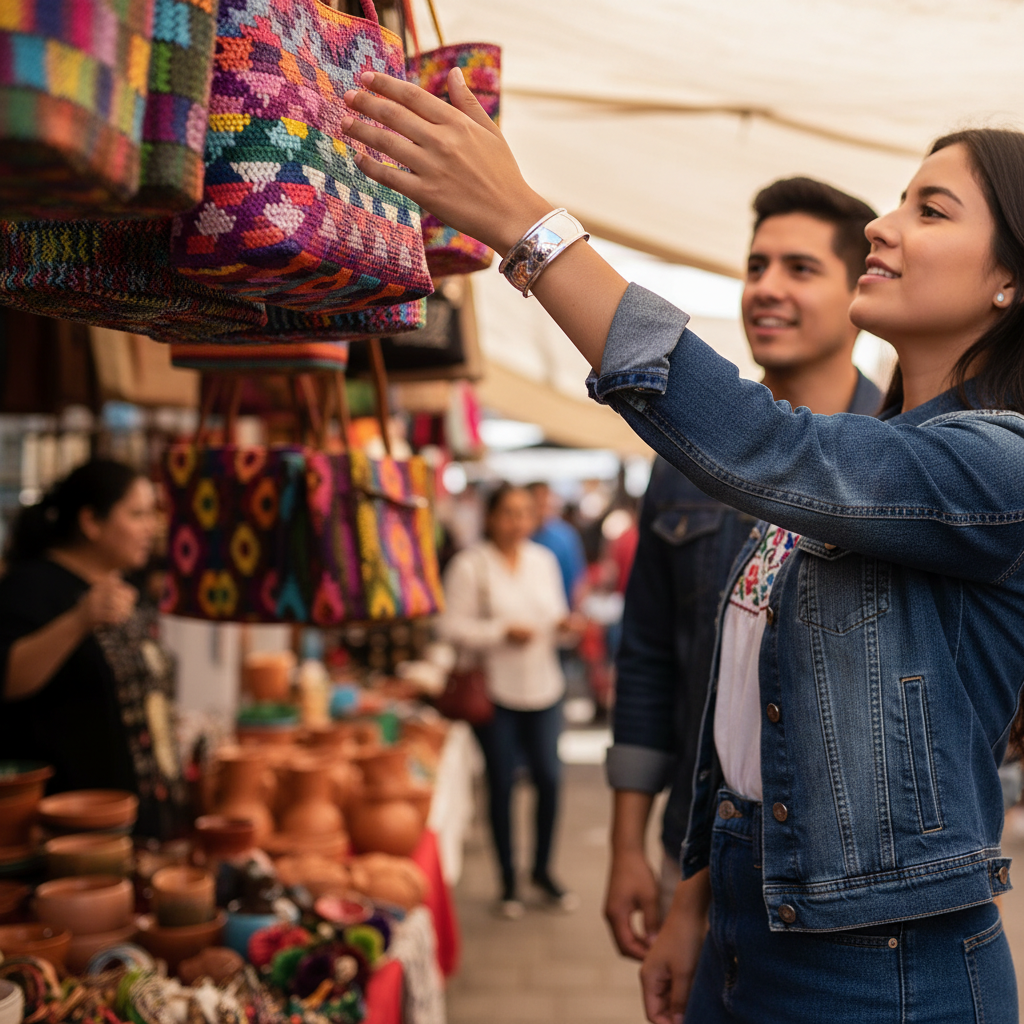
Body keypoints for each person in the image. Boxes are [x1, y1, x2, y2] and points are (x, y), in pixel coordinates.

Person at [341, 72, 1024, 1021]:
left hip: (884, 968)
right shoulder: (867, 466)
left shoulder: (999, 467)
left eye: (931, 208)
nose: (882, 224)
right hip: (751, 924)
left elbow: (765, 444)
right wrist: (697, 897)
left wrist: (529, 228)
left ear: (1010, 281)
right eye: (898, 199)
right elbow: (745, 721)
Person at [604, 177, 883, 961]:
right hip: (693, 856)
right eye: (756, 265)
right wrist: (628, 845)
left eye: (800, 268)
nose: (766, 288)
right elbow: (650, 658)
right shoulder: (683, 460)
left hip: (844, 884)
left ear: (860, 288)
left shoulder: (899, 463)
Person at [0, 459, 189, 840]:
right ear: (91, 522)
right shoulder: (32, 587)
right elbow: (8, 680)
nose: (151, 526)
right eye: (137, 514)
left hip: (143, 820)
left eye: (152, 513)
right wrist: (78, 621)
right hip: (75, 827)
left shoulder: (124, 584)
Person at [439, 483, 579, 917]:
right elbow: (450, 628)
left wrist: (566, 627)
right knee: (501, 783)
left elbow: (554, 615)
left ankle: (542, 870)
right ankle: (508, 881)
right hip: (495, 691)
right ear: (491, 517)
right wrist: (501, 631)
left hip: (544, 686)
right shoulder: (470, 565)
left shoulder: (543, 561)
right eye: (508, 513)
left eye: (524, 513)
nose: (518, 521)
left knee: (549, 780)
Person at [527, 481, 587, 607]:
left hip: (560, 608)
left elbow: (578, 580)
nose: (543, 506)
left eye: (546, 501)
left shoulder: (565, 536)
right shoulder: (519, 537)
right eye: (538, 502)